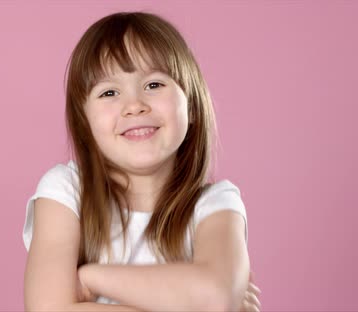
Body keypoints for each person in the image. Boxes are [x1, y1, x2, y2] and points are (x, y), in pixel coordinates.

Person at [22, 11, 261, 311]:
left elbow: (216, 296)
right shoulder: (66, 191)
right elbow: (48, 309)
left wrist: (91, 278)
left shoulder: (216, 204)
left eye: (154, 85)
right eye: (109, 92)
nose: (134, 105)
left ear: (192, 105)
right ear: (86, 123)